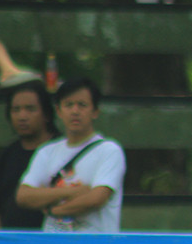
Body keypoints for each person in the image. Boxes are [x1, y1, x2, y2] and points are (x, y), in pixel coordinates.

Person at [16, 78, 126, 232]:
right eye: (68, 105)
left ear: (95, 112)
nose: (75, 111)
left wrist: (52, 209)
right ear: (59, 111)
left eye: (82, 105)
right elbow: (23, 196)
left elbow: (96, 198)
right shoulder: (46, 152)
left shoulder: (109, 151)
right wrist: (73, 192)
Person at [0, 80, 59, 229]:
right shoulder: (8, 154)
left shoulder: (63, 150)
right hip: (12, 241)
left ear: (46, 114)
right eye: (16, 110)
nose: (22, 116)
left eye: (30, 109)